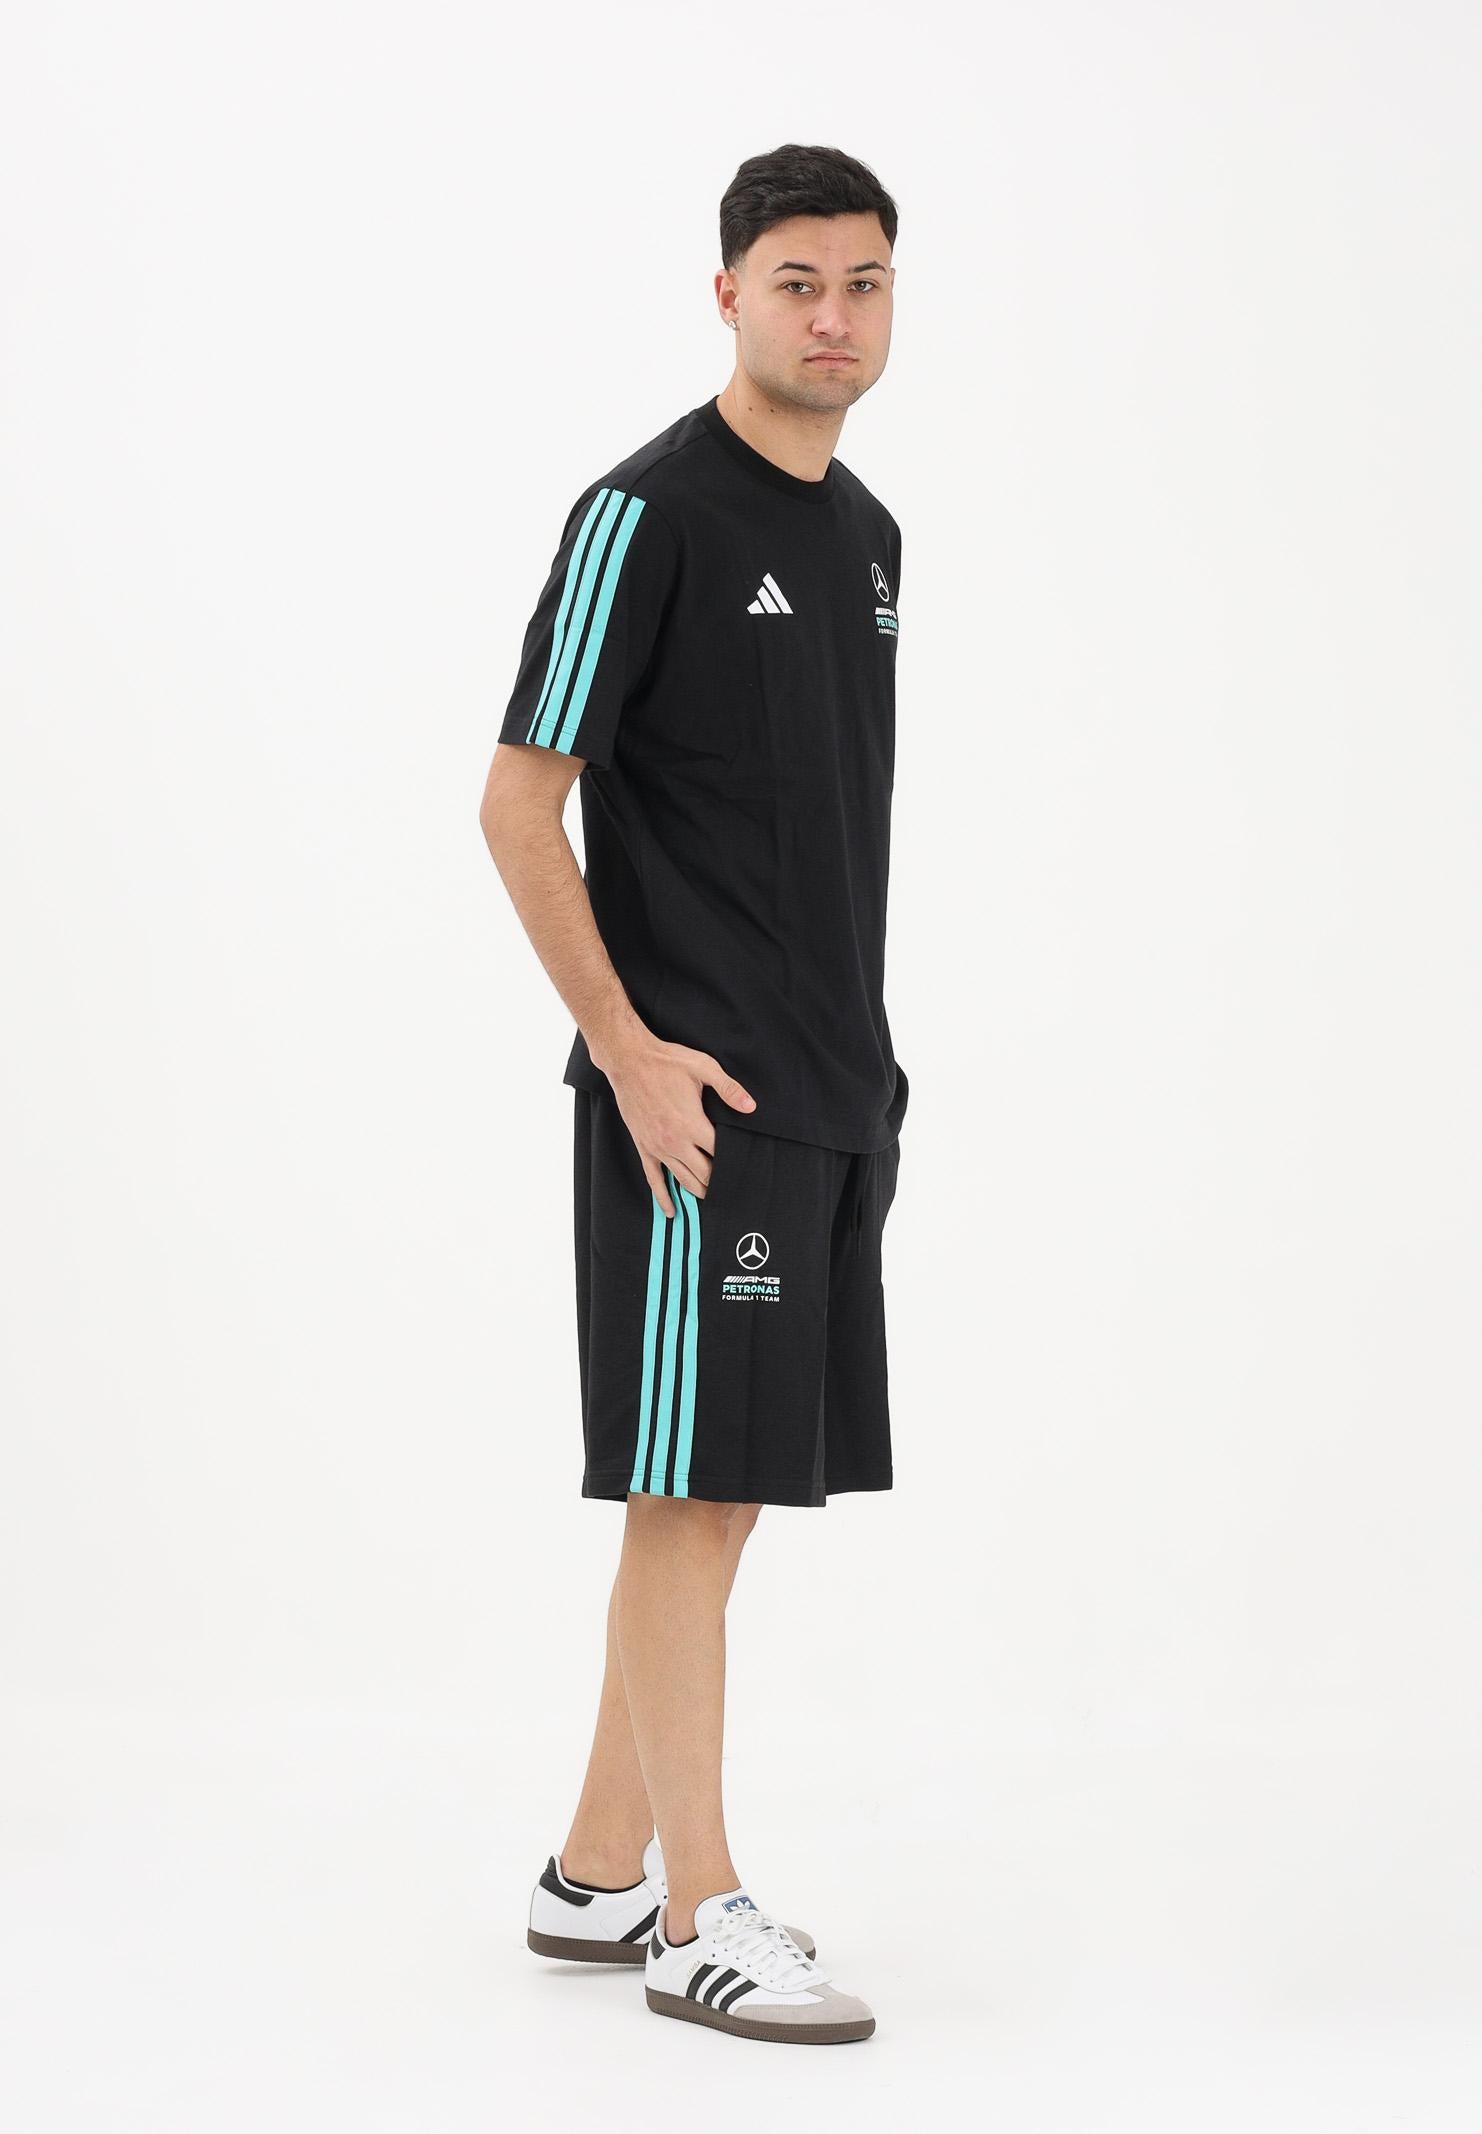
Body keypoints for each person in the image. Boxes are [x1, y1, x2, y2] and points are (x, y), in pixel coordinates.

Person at [479, 141, 907, 2046]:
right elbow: (517, 802)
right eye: (796, 280)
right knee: (686, 1488)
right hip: (694, 1105)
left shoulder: (869, 534)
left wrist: (867, 1070)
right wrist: (629, 1049)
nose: (832, 316)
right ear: (726, 293)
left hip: (830, 1091)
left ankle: (595, 1870)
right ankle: (698, 1914)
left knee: (724, 1499)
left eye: (863, 282)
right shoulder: (639, 516)